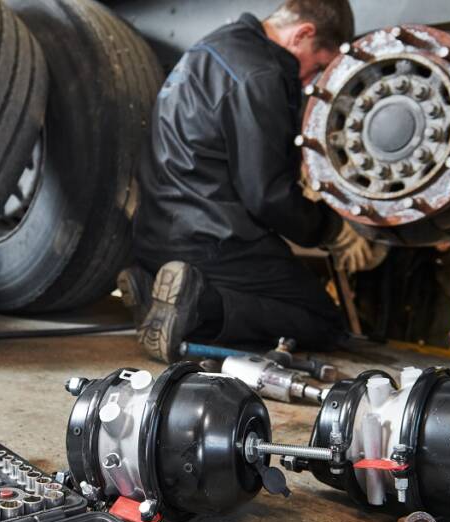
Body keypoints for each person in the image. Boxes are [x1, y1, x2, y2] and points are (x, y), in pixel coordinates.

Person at [119, 0, 372, 363]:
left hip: (156, 232)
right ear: (303, 34)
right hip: (210, 240)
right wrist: (332, 230)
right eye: (315, 66)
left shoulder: (216, 45)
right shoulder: (261, 74)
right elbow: (267, 196)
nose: (308, 81)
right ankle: (201, 306)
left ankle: (153, 286)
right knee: (324, 321)